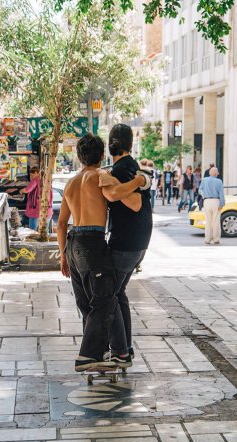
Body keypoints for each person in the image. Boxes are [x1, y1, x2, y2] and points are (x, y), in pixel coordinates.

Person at [57, 133, 148, 372]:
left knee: (86, 301)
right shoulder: (100, 175)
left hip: (73, 243)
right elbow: (114, 195)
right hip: (92, 243)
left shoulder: (70, 182)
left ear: (79, 156)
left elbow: (60, 224)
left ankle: (106, 350)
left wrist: (62, 255)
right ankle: (91, 355)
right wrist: (138, 182)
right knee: (105, 299)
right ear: (101, 156)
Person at [99, 124, 153, 360]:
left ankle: (120, 351)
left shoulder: (122, 169)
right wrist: (139, 180)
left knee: (109, 295)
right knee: (118, 293)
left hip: (126, 243)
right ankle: (124, 348)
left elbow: (135, 203)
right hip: (137, 240)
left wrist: (115, 186)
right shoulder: (129, 167)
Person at [19, 167, 53, 231]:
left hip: (36, 211)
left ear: (37, 173)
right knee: (45, 231)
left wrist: (20, 191)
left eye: (32, 175)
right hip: (48, 209)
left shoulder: (36, 180)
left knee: (32, 231)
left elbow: (27, 190)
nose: (31, 177)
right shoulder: (47, 180)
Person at [199, 166, 225, 244]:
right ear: (216, 173)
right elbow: (221, 194)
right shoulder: (219, 181)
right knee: (216, 221)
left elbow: (200, 190)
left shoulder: (204, 180)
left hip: (207, 201)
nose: (218, 173)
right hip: (216, 201)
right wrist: (222, 203)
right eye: (217, 172)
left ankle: (207, 239)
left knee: (208, 221)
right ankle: (216, 239)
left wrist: (204, 197)